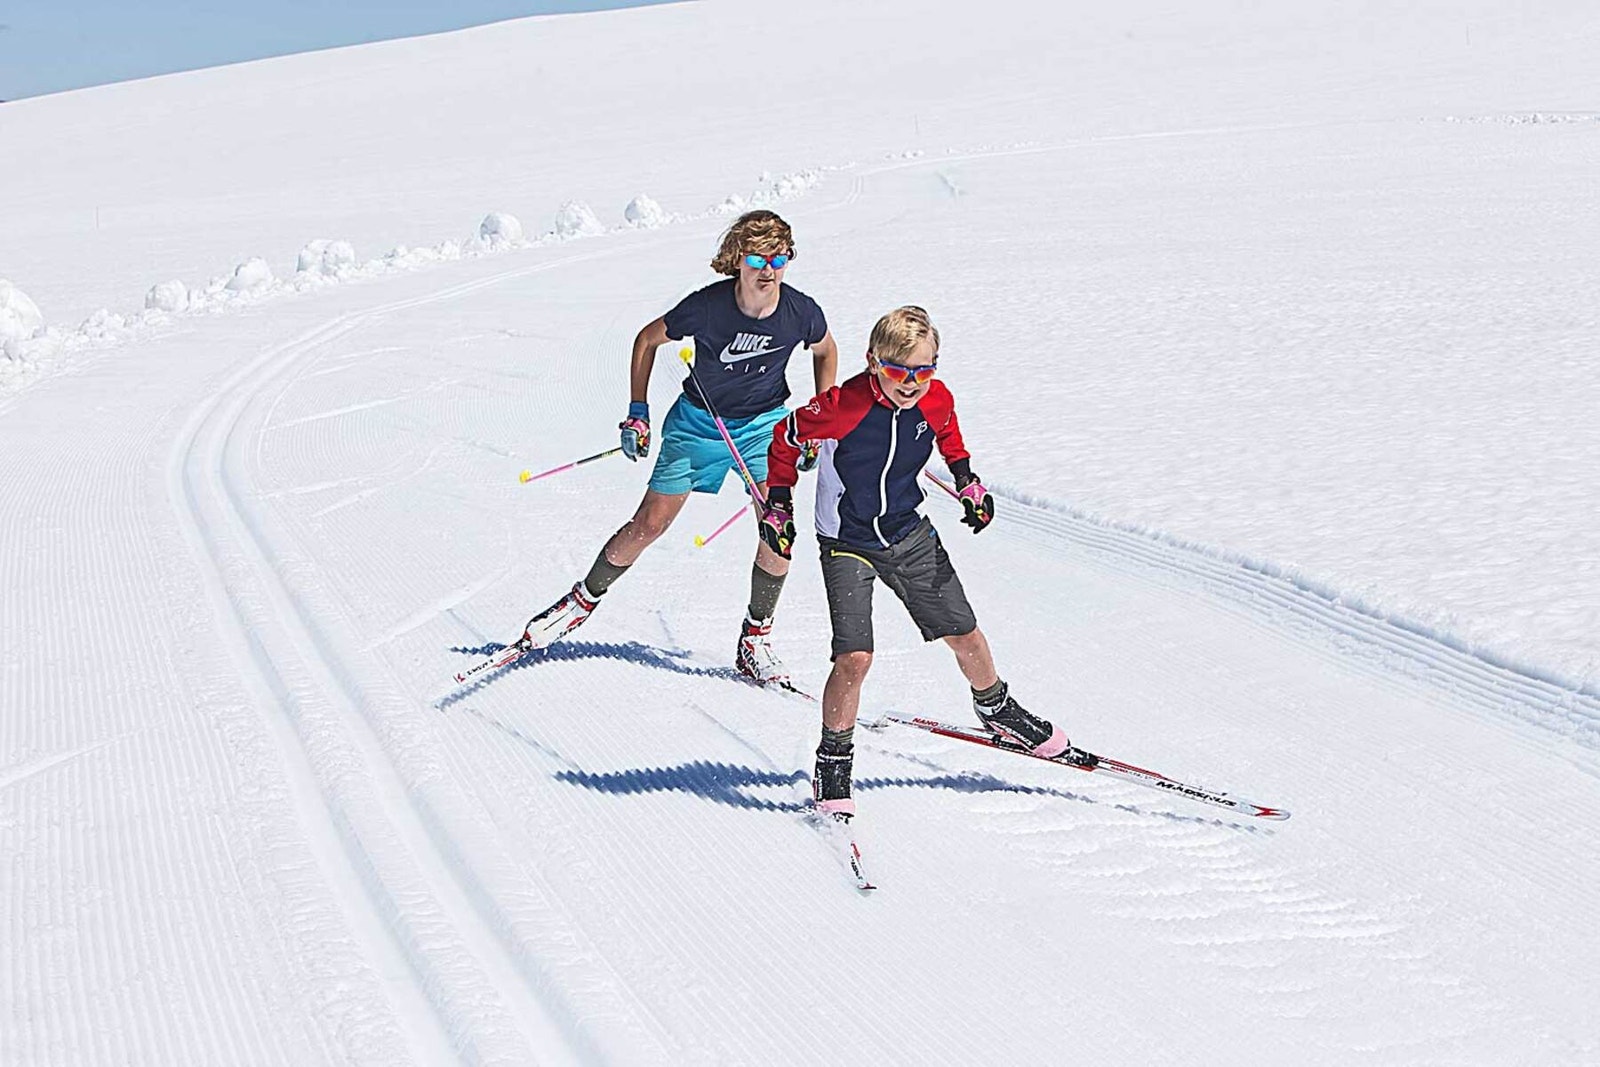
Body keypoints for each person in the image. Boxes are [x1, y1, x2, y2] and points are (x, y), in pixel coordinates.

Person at [760, 306, 1070, 818]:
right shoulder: (842, 405)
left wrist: (967, 479)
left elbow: (947, 431)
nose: (912, 383)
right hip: (847, 538)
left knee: (964, 633)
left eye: (924, 371)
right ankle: (834, 758)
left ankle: (995, 709)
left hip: (908, 529)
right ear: (873, 362)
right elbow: (786, 437)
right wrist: (778, 502)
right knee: (854, 658)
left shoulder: (937, 397)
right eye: (899, 370)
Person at [517, 210, 838, 684]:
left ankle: (755, 639)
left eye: (779, 258)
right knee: (649, 524)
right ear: (738, 261)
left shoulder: (800, 312)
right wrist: (638, 411)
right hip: (698, 424)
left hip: (764, 428)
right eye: (756, 257)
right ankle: (581, 600)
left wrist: (816, 420)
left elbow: (826, 350)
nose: (768, 269)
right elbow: (646, 340)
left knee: (780, 528)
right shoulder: (707, 308)